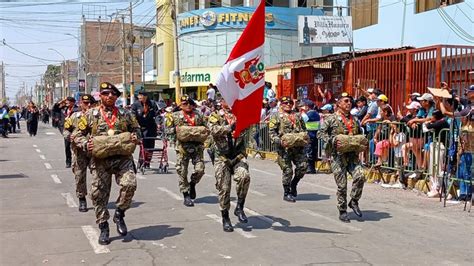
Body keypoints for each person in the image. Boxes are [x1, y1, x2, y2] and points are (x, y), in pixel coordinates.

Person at [73, 82, 141, 245]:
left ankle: (120, 212)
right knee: (98, 195)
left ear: (117, 97)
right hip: (100, 160)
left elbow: (137, 130)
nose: (109, 96)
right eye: (105, 93)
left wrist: (135, 137)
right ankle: (103, 226)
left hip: (122, 158)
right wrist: (85, 144)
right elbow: (77, 134)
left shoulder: (125, 114)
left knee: (130, 184)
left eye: (113, 94)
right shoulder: (90, 114)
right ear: (101, 96)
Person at [318, 92, 365, 223]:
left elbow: (359, 133)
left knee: (360, 176)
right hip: (337, 156)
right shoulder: (330, 119)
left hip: (352, 155)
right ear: (338, 104)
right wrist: (331, 141)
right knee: (342, 185)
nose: (349, 103)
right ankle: (342, 210)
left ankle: (354, 201)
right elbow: (320, 133)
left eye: (350, 101)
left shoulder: (354, 119)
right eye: (345, 101)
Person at [208, 98, 250, 232]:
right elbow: (213, 130)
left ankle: (239, 207)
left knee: (244, 177)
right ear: (222, 101)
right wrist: (229, 128)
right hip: (222, 157)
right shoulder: (215, 116)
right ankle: (225, 217)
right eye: (227, 98)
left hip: (237, 155)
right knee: (224, 189)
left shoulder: (241, 115)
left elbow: (247, 135)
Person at [166, 95, 206, 207]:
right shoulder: (174, 116)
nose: (188, 106)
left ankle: (192, 183)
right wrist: (175, 129)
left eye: (189, 103)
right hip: (182, 148)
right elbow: (166, 130)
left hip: (197, 147)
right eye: (184, 104)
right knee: (182, 172)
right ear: (181, 105)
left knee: (200, 170)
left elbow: (206, 128)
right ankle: (186, 195)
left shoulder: (199, 115)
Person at [269, 96, 307, 202]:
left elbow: (304, 129)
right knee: (288, 170)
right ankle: (286, 192)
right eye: (285, 103)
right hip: (284, 149)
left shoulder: (298, 116)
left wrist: (305, 137)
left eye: (290, 103)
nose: (288, 105)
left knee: (303, 167)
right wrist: (279, 141)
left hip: (298, 148)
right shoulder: (276, 116)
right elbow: (272, 133)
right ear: (281, 105)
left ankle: (294, 184)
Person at [65, 94, 94, 212]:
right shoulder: (75, 116)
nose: (88, 105)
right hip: (79, 151)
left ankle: (98, 198)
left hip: (94, 151)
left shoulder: (98, 116)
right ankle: (82, 198)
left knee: (99, 176)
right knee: (79, 175)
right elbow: (66, 130)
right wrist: (69, 137)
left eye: (90, 103)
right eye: (85, 103)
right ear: (81, 104)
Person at [132, 91, 159, 168]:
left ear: (146, 96)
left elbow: (157, 114)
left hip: (151, 127)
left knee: (151, 146)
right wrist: (136, 125)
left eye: (141, 96)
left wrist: (158, 123)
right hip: (141, 128)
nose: (140, 97)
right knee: (143, 146)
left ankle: (148, 162)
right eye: (139, 96)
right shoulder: (135, 105)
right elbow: (133, 116)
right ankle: (141, 162)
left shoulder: (152, 103)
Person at [59, 97, 79, 168]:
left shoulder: (77, 110)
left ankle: (77, 161)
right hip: (66, 132)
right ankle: (68, 161)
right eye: (66, 102)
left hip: (75, 132)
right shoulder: (64, 109)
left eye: (68, 102)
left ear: (73, 102)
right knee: (67, 147)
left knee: (76, 147)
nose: (66, 103)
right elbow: (55, 109)